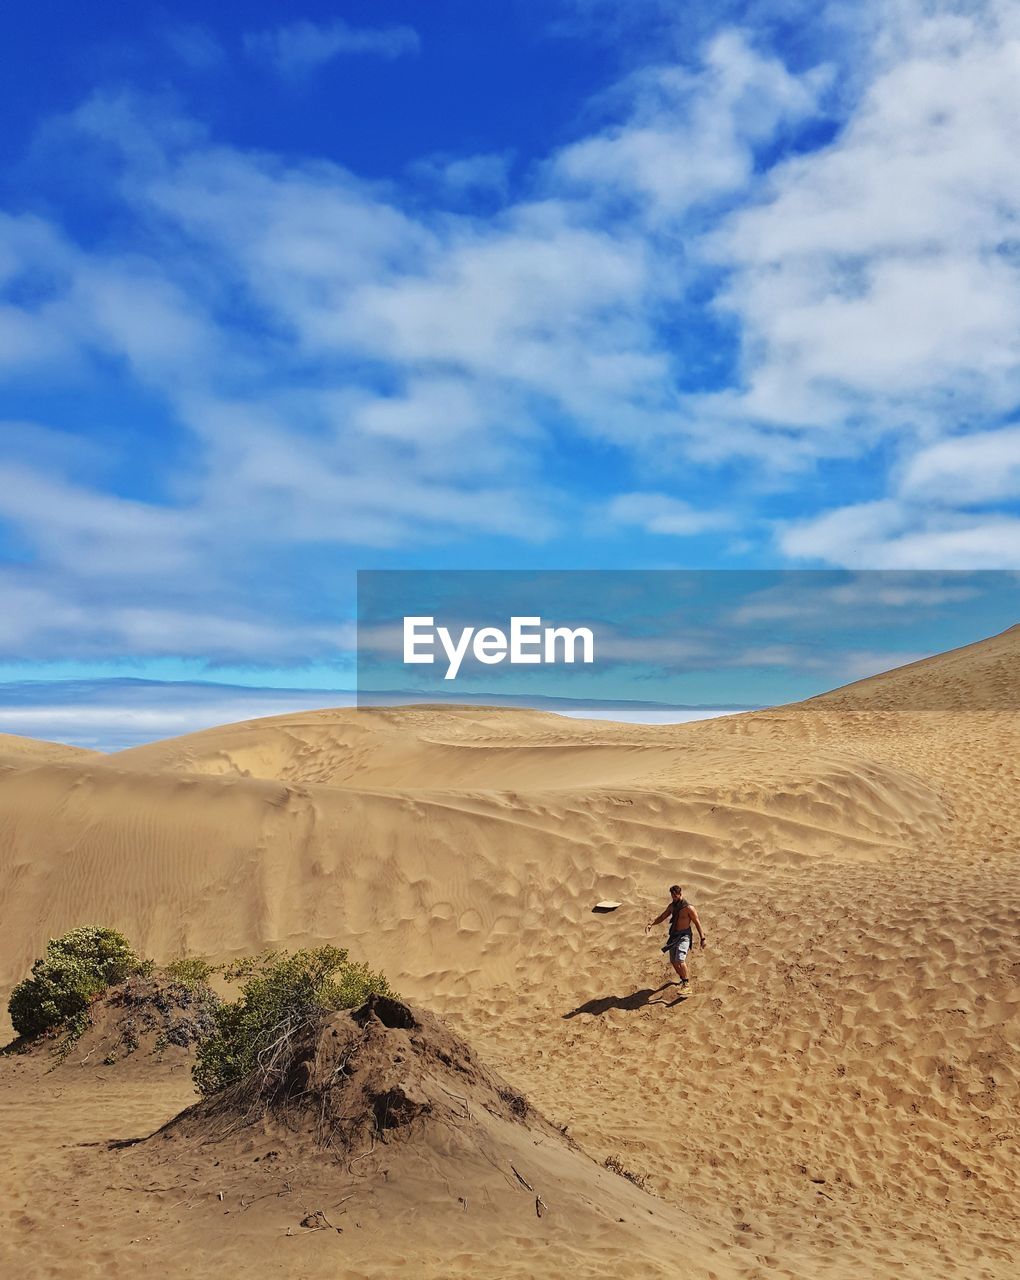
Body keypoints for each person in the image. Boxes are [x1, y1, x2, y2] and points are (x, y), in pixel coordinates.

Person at [645, 884, 706, 989]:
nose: (674, 898)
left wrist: (702, 938)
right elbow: (663, 916)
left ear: (680, 894)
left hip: (684, 936)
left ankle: (686, 985)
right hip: (674, 936)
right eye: (672, 896)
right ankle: (683, 979)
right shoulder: (672, 906)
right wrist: (651, 924)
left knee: (680, 959)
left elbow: (697, 922)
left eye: (675, 896)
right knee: (673, 961)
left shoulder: (688, 908)